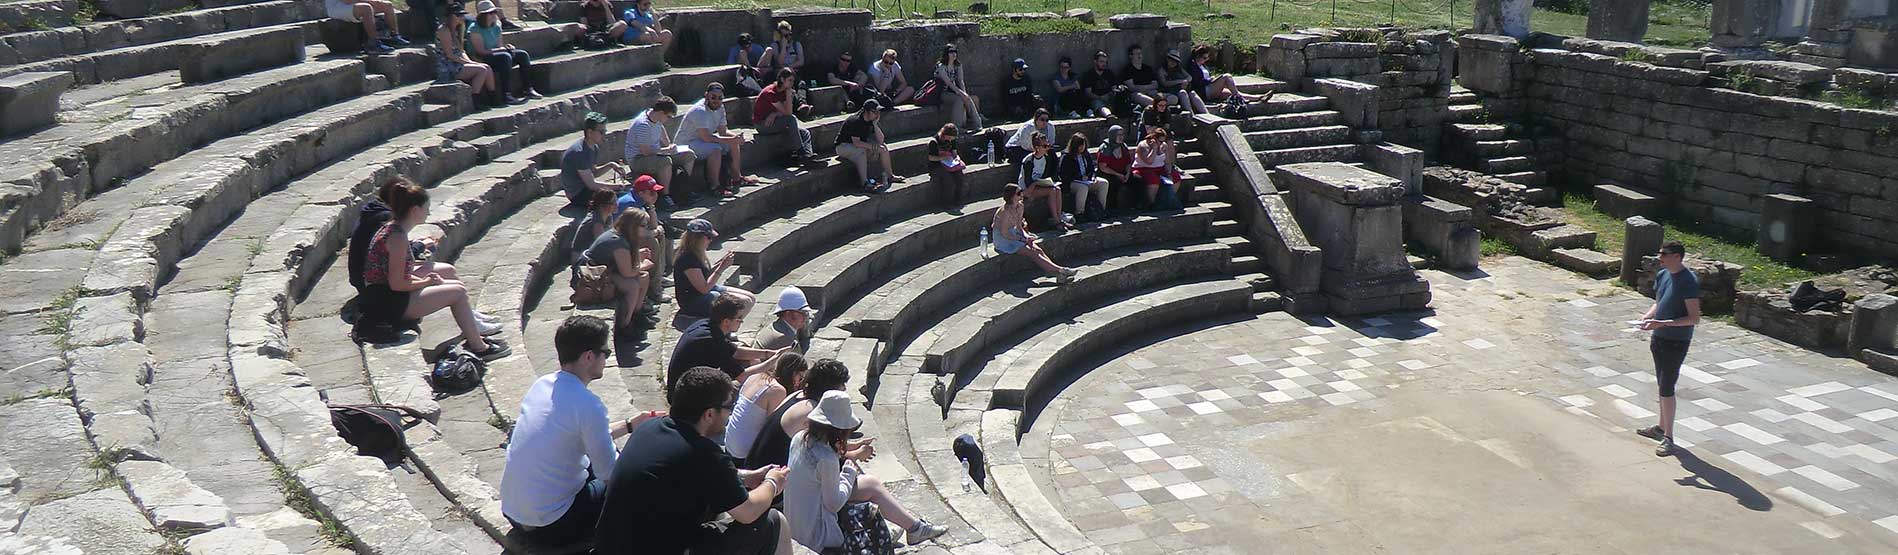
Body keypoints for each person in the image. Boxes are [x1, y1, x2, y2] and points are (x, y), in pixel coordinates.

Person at [500, 315, 662, 548]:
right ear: (588, 356)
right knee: (633, 486)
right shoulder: (589, 405)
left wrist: (629, 425)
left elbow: (577, 433)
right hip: (551, 526)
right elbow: (611, 474)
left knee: (597, 457)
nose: (606, 358)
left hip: (513, 513)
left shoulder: (542, 385)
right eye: (605, 352)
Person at [595, 367, 794, 555]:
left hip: (611, 545)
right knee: (773, 522)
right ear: (709, 414)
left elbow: (692, 474)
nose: (729, 414)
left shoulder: (650, 428)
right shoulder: (705, 453)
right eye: (727, 407)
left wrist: (745, 477)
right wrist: (773, 482)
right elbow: (748, 511)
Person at [360, 179, 511, 358]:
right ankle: (480, 347)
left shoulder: (394, 229)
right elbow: (397, 283)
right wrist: (426, 282)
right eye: (426, 208)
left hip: (386, 296)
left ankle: (473, 328)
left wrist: (427, 281)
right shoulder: (397, 238)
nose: (429, 212)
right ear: (415, 210)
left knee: (449, 277)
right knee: (458, 292)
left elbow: (399, 275)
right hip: (388, 305)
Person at [786, 390, 950, 552]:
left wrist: (852, 448)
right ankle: (915, 529)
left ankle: (914, 528)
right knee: (869, 486)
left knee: (870, 484)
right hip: (817, 534)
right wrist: (848, 475)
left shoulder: (799, 438)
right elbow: (833, 503)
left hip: (795, 525)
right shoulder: (826, 459)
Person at [1634, 241, 1700, 457]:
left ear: (1678, 257)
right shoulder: (1663, 275)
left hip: (1676, 341)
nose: (1660, 257)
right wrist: (1647, 316)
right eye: (1660, 252)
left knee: (1667, 387)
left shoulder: (1688, 281)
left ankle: (1668, 438)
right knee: (1662, 383)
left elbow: (1693, 318)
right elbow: (1659, 302)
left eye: (1665, 254)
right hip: (1659, 337)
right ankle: (1660, 427)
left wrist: (1662, 323)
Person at [744, 358, 850, 470]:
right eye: (841, 385)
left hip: (753, 465)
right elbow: (825, 454)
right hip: (769, 474)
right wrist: (855, 454)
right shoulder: (812, 412)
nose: (844, 388)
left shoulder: (797, 395)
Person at [668, 295, 789, 391]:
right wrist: (772, 361)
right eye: (739, 318)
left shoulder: (706, 325)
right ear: (726, 321)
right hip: (684, 395)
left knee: (752, 363)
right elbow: (741, 376)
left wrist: (768, 353)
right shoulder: (711, 341)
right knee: (752, 389)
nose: (741, 321)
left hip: (684, 386)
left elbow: (735, 351)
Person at [581, 207, 659, 336]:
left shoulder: (623, 235)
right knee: (632, 286)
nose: (646, 228)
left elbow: (622, 261)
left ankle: (637, 314)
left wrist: (638, 255)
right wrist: (644, 265)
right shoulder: (617, 241)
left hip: (608, 270)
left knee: (643, 277)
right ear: (633, 226)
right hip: (595, 275)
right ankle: (625, 326)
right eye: (644, 225)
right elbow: (627, 273)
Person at [726, 352, 808, 467]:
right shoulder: (777, 390)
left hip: (730, 444)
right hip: (744, 453)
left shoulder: (755, 377)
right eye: (801, 377)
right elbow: (772, 428)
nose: (800, 382)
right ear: (794, 374)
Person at [675, 83, 754, 197]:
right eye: (713, 97)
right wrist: (732, 139)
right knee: (715, 149)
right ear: (706, 95)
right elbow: (706, 137)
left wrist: (738, 138)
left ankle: (737, 178)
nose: (716, 100)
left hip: (701, 141)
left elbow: (723, 131)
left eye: (720, 97)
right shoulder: (699, 111)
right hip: (687, 143)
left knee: (733, 143)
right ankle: (715, 187)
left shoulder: (720, 107)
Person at [990, 184, 1076, 282]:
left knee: (1038, 249)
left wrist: (1027, 237)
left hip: (1014, 234)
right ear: (1012, 196)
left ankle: (1059, 274)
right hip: (1003, 239)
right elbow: (1004, 233)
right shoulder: (1004, 212)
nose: (1021, 194)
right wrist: (1022, 239)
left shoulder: (1020, 206)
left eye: (1021, 192)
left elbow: (1019, 226)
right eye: (1018, 193)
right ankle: (1061, 270)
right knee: (1031, 252)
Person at [673, 218, 757, 317]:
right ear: (697, 238)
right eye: (708, 237)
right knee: (743, 301)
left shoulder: (696, 252)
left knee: (751, 297)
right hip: (693, 301)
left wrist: (722, 263)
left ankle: (732, 327)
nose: (711, 240)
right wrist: (722, 267)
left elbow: (705, 275)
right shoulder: (688, 259)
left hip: (704, 291)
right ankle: (727, 328)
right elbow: (704, 289)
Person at [467, 1, 541, 104]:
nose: (494, 15)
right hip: (482, 57)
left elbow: (499, 46)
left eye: (494, 12)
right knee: (505, 57)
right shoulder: (475, 29)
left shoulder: (496, 26)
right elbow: (481, 51)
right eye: (491, 13)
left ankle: (528, 88)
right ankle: (507, 94)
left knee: (522, 54)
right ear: (483, 15)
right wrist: (502, 50)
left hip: (496, 54)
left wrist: (507, 47)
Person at [623, 97, 692, 206]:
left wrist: (671, 146)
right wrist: (666, 150)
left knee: (689, 155)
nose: (669, 119)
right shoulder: (643, 125)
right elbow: (646, 151)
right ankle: (666, 196)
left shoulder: (656, 119)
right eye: (668, 116)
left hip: (655, 153)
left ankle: (686, 189)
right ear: (661, 112)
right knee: (665, 161)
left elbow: (662, 133)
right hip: (638, 159)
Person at [616, 176, 672, 300]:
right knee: (652, 240)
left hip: (632, 237)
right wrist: (654, 232)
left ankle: (658, 276)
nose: (655, 195)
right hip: (621, 242)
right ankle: (655, 290)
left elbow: (653, 225)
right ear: (641, 192)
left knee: (661, 235)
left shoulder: (640, 201)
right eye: (651, 192)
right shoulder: (629, 203)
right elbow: (635, 232)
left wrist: (651, 207)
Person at [435, 5, 502, 107]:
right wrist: (467, 63)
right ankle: (475, 100)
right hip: (448, 67)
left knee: (486, 67)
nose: (462, 17)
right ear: (452, 16)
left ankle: (492, 98)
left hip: (458, 63)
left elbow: (461, 51)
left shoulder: (458, 29)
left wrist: (470, 62)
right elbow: (449, 54)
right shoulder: (444, 31)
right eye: (459, 15)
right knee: (481, 69)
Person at [836, 100, 902, 193]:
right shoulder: (856, 121)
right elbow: (856, 143)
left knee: (883, 147)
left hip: (857, 144)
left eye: (878, 111)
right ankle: (865, 183)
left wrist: (875, 125)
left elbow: (881, 140)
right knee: (861, 151)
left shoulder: (871, 121)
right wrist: (873, 147)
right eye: (875, 112)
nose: (877, 114)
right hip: (842, 146)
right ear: (867, 111)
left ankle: (890, 176)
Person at [563, 112, 628, 204]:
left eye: (605, 131)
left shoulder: (594, 147)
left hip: (586, 188)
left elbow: (594, 172)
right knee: (621, 198)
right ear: (590, 132)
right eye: (601, 132)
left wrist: (611, 165)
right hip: (577, 195)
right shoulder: (579, 153)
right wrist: (617, 186)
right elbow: (592, 185)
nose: (604, 135)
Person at [755, 68, 817, 163]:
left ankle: (807, 156)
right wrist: (789, 96)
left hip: (775, 121)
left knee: (805, 133)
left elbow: (785, 111)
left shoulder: (784, 91)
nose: (792, 83)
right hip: (762, 124)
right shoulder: (770, 92)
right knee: (791, 119)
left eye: (793, 81)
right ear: (782, 79)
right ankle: (801, 153)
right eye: (790, 80)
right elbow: (788, 114)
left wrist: (775, 114)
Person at [1189, 44, 1264, 110]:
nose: (1206, 60)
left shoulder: (1202, 65)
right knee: (1227, 77)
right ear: (1198, 56)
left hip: (1210, 88)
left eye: (1207, 58)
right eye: (1204, 58)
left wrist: (1212, 79)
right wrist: (1211, 80)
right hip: (1205, 91)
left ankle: (1258, 98)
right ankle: (1239, 99)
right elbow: (1198, 82)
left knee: (1232, 92)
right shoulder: (1193, 66)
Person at [1016, 133, 1065, 232]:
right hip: (1026, 188)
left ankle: (1059, 218)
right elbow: (1028, 182)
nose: (1047, 148)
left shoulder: (1045, 158)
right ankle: (1056, 221)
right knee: (1051, 191)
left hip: (1037, 185)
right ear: (1037, 147)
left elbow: (1043, 176)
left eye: (1048, 145)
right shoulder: (1029, 161)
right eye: (1045, 146)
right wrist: (1038, 184)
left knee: (1058, 189)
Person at [1058, 132, 1107, 223]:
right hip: (1073, 183)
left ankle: (1100, 210)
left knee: (1103, 183)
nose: (1081, 148)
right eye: (1079, 146)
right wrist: (1080, 177)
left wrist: (1093, 177)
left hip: (1087, 180)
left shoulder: (1086, 154)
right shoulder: (1067, 157)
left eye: (1083, 145)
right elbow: (1064, 175)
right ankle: (1079, 212)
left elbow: (1091, 169)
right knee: (1083, 188)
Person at [325, 0, 406, 54]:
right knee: (366, 8)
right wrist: (371, 2)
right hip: (337, 8)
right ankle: (373, 43)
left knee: (388, 5)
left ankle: (393, 36)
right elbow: (347, 1)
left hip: (355, 3)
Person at [934, 44, 983, 131]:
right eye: (951, 52)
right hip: (942, 93)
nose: (954, 54)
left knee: (967, 98)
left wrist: (964, 94)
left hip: (954, 91)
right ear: (946, 54)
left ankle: (977, 124)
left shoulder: (958, 65)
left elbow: (960, 81)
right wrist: (961, 94)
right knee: (959, 99)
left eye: (955, 52)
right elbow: (948, 83)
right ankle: (957, 128)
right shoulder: (941, 66)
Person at [753, 287, 815, 352]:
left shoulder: (777, 326)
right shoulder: (786, 339)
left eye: (806, 313)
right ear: (788, 314)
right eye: (803, 312)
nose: (806, 316)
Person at [1131, 127, 1180, 210]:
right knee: (1153, 179)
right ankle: (1151, 203)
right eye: (1160, 141)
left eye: (1163, 141)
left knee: (1176, 177)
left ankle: (1167, 199)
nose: (1162, 143)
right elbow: (1149, 161)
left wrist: (1168, 173)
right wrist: (1154, 148)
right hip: (1143, 168)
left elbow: (1167, 162)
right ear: (1154, 139)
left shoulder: (1164, 146)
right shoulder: (1143, 146)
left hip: (1159, 168)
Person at [1095, 125, 1134, 212]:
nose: (1121, 137)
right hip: (1109, 173)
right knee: (1114, 183)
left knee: (1138, 180)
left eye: (1122, 134)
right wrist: (1118, 175)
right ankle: (1113, 208)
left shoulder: (1123, 146)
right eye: (1118, 135)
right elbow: (1103, 167)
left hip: (1122, 172)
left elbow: (1128, 162)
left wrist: (1127, 174)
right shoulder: (1105, 148)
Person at [926, 123, 967, 205]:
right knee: (949, 180)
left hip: (950, 164)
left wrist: (957, 158)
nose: (949, 140)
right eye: (948, 138)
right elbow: (931, 157)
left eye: (951, 139)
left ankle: (958, 199)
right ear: (944, 135)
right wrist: (943, 158)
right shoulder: (934, 142)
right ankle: (946, 203)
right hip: (937, 165)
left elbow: (954, 153)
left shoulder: (952, 140)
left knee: (960, 177)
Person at [571, 190, 617, 262]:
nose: (617, 205)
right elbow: (601, 243)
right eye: (613, 203)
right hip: (582, 258)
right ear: (602, 205)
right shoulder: (596, 220)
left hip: (592, 253)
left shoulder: (608, 216)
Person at [1160, 49, 1206, 114]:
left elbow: (1190, 77)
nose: (1173, 62)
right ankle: (1191, 115)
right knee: (1182, 93)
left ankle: (1206, 113)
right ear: (1167, 59)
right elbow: (1164, 83)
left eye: (1175, 61)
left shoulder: (1179, 69)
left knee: (1192, 93)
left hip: (1181, 89)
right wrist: (1180, 81)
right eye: (1171, 60)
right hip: (1169, 92)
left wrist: (1185, 82)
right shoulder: (1162, 70)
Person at [1078, 50, 1118, 118]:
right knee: (1098, 104)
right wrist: (1100, 97)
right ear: (1095, 61)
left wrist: (1109, 95)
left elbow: (1114, 89)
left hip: (1109, 99)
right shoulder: (1089, 75)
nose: (1104, 64)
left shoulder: (1110, 74)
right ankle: (1109, 116)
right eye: (1101, 62)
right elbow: (1088, 93)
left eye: (1105, 62)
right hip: (1095, 100)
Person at [1121, 44, 1161, 109]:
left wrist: (1143, 87)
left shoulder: (1148, 69)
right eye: (1137, 54)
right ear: (1131, 56)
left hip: (1151, 92)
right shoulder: (1127, 70)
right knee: (1143, 98)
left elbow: (1156, 85)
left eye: (1140, 53)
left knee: (1173, 98)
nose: (1139, 56)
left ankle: (1160, 106)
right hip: (1137, 94)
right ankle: (1161, 107)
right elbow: (1131, 88)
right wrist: (1147, 87)